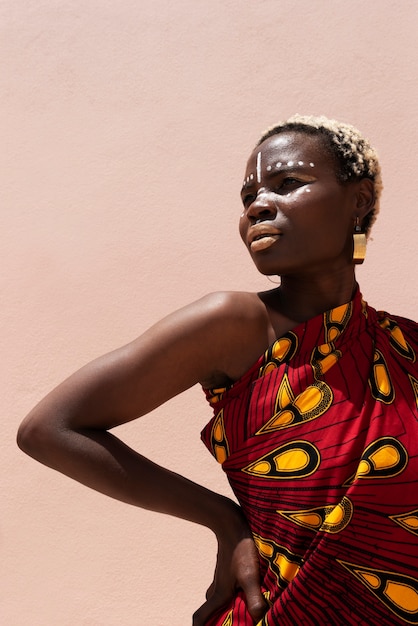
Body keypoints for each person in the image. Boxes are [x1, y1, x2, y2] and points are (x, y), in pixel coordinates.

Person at [17, 115, 418, 625]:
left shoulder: (407, 345)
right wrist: (224, 521)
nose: (258, 206)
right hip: (280, 611)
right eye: (248, 197)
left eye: (287, 183)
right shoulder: (236, 324)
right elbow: (48, 429)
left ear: (359, 200)